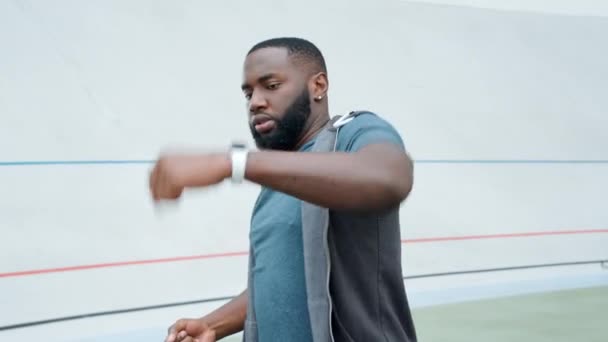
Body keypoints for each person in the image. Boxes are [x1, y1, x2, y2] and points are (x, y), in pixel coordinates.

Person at [150, 37, 417, 342]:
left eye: (271, 85)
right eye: (248, 93)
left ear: (318, 86)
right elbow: (282, 279)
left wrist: (233, 162)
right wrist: (214, 325)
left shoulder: (354, 132)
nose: (255, 102)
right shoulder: (278, 180)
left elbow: (389, 177)